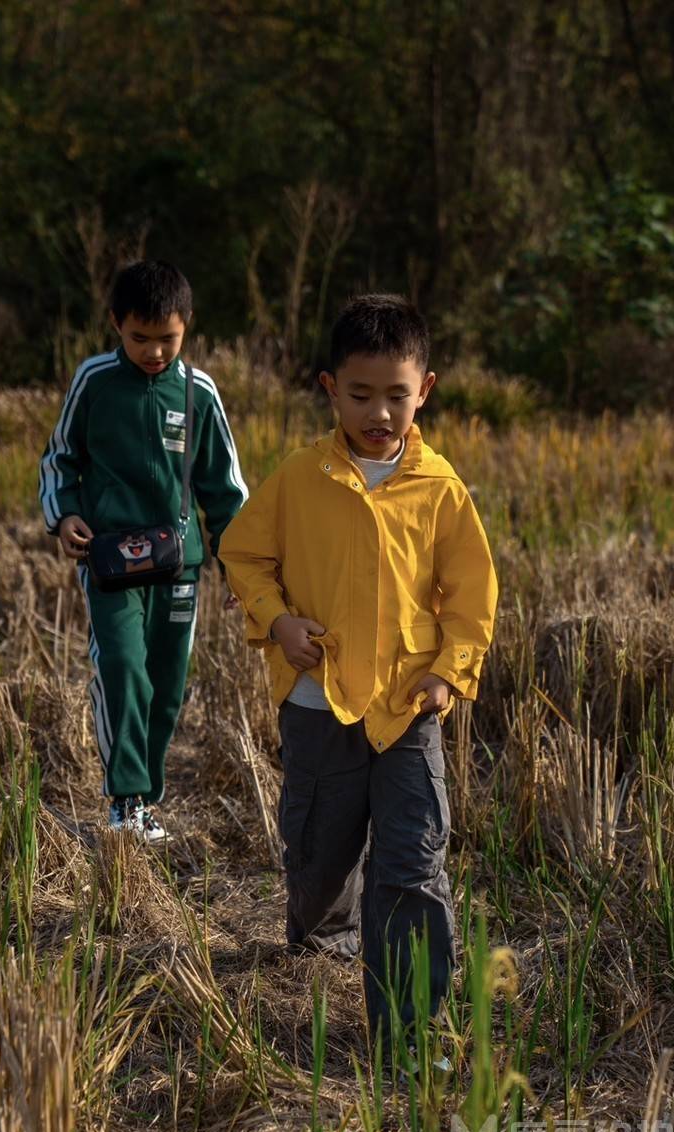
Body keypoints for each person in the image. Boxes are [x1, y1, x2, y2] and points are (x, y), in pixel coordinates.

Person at [219, 294, 497, 1054]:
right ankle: (321, 931)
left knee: (412, 861)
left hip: (408, 709)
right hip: (318, 706)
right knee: (318, 854)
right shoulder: (298, 478)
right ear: (330, 389)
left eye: (396, 395)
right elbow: (243, 554)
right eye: (361, 394)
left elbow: (472, 595)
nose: (379, 412)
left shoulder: (440, 489)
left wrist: (449, 672)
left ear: (424, 390)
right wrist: (278, 620)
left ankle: (408, 1031)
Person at [39, 260, 247, 841]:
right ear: (115, 324)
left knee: (167, 681)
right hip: (108, 563)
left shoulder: (199, 392)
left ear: (187, 326)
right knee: (124, 668)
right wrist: (65, 516)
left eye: (167, 339)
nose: (154, 352)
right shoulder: (94, 381)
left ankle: (147, 803)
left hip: (178, 564)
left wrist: (240, 566)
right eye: (140, 338)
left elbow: (225, 490)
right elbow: (59, 460)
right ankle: (126, 801)